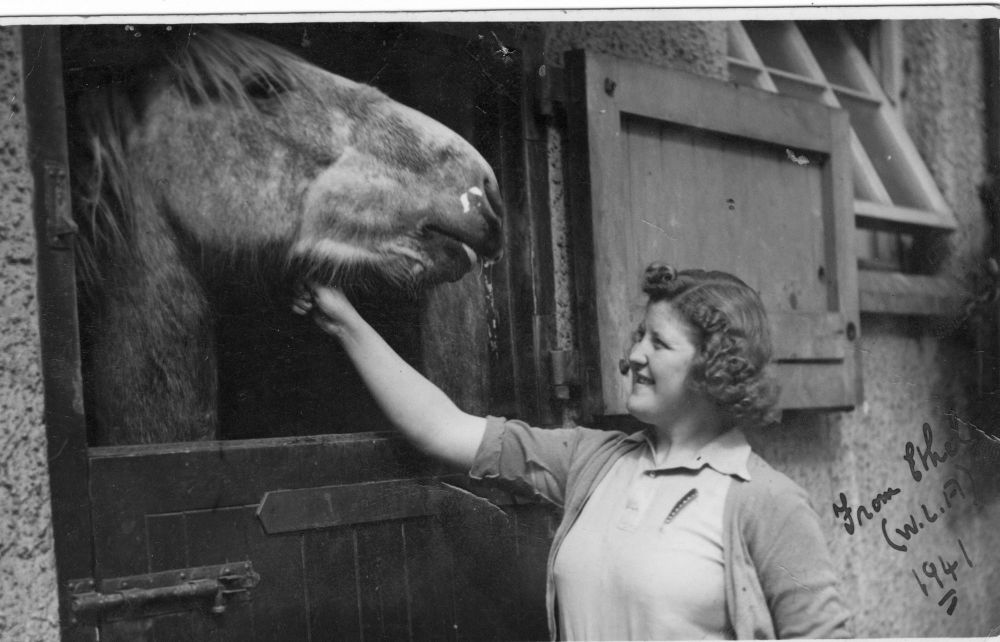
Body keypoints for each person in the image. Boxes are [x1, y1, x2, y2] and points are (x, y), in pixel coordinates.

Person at [292, 263, 851, 641]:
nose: (631, 355)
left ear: (714, 369)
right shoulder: (594, 460)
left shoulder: (766, 502)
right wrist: (343, 319)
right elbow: (441, 427)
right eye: (637, 335)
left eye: (657, 343)